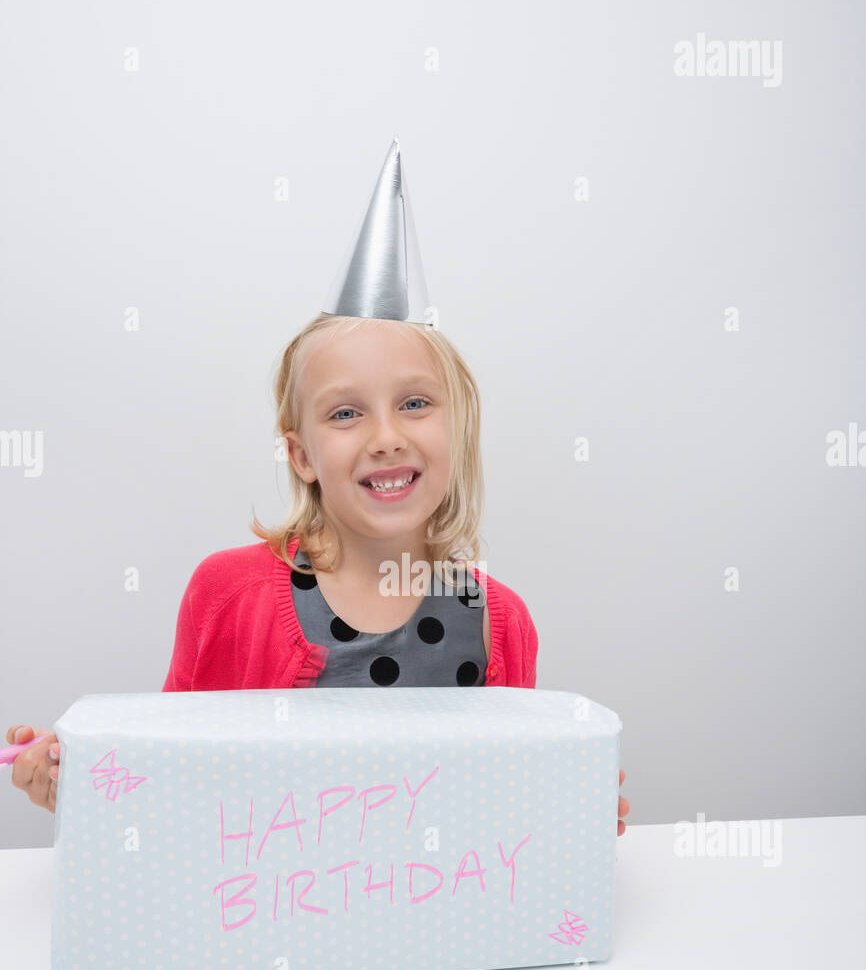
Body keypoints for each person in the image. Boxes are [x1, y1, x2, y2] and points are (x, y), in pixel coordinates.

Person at [7, 140, 630, 832]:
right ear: (301, 454)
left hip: (430, 925)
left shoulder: (498, 622)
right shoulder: (226, 595)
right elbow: (166, 776)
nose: (386, 435)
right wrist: (79, 778)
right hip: (269, 925)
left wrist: (572, 806)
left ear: (458, 432)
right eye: (345, 413)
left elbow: (508, 805)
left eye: (416, 403)